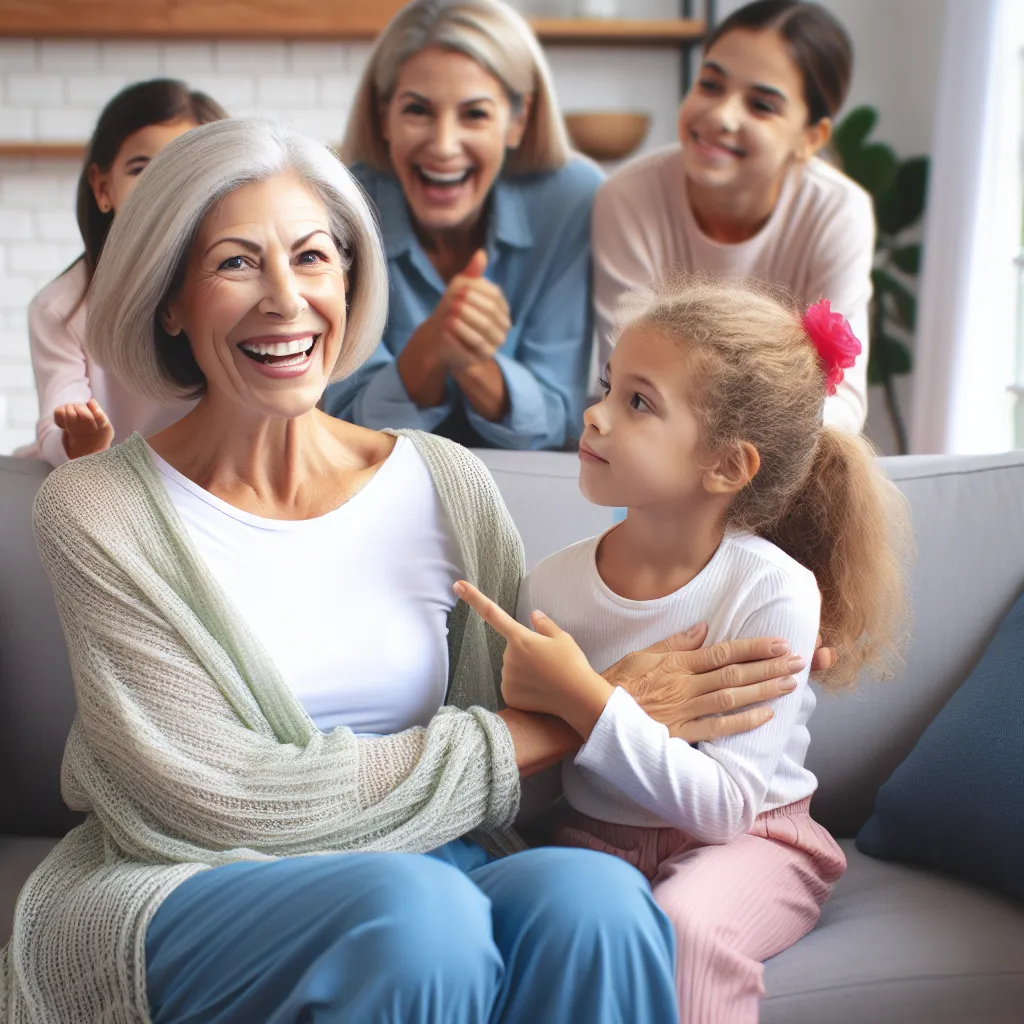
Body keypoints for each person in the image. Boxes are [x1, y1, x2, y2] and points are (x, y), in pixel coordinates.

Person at [2, 119, 826, 1023]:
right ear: (170, 299)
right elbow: (215, 799)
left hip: (433, 860)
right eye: (237, 263)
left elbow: (524, 762)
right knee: (417, 919)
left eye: (314, 258)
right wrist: (595, 709)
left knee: (595, 903)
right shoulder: (96, 509)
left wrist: (604, 699)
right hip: (190, 883)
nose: (287, 299)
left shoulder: (445, 483)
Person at [456, 278, 911, 1023]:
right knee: (545, 926)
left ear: (728, 466)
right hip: (593, 841)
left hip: (757, 844)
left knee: (688, 927)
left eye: (638, 402)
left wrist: (588, 698)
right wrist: (540, 725)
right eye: (609, 387)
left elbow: (726, 809)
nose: (595, 415)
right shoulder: (553, 582)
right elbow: (542, 793)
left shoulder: (774, 591)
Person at [323, 0, 603, 450]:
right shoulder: (341, 204)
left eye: (474, 114)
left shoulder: (569, 199)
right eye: (418, 110)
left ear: (518, 121)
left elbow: (558, 419)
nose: (444, 145)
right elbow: (343, 421)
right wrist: (432, 345)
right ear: (383, 116)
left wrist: (468, 360)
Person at [592, 0, 873, 433]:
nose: (721, 114)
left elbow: (841, 400)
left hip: (783, 461)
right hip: (654, 447)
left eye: (761, 105)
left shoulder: (837, 212)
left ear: (810, 137)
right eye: (709, 84)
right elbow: (627, 371)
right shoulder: (628, 198)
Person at [20, 78, 226, 466]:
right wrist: (81, 438)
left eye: (181, 171)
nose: (159, 190)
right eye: (140, 169)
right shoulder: (60, 309)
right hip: (105, 482)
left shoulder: (231, 286)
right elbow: (59, 421)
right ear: (102, 188)